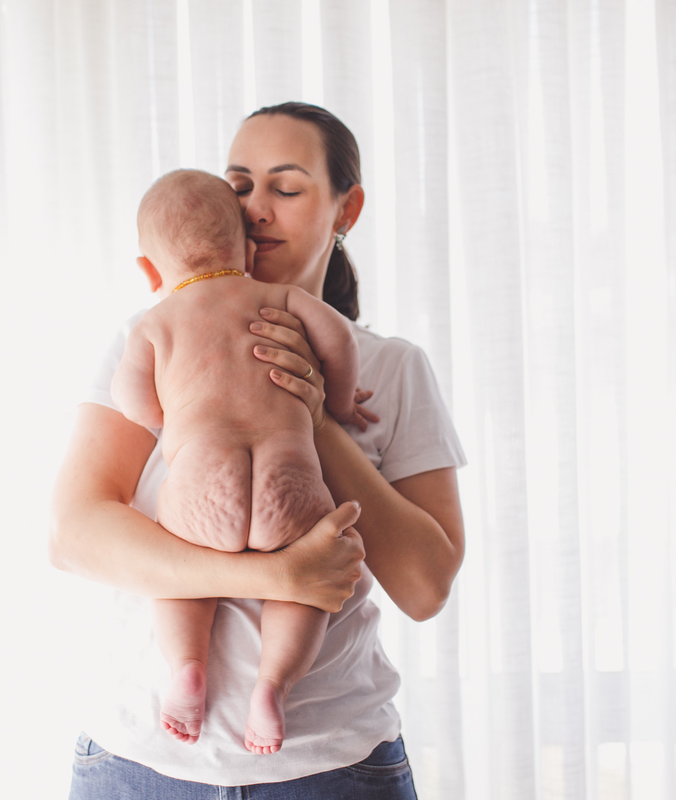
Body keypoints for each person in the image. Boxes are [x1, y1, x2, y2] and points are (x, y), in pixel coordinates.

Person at [51, 101, 468, 797]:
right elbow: (74, 536)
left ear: (346, 209)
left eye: (286, 186)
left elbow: (426, 588)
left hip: (329, 766)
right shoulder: (153, 336)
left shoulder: (387, 369)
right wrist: (277, 579)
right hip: (139, 760)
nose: (255, 209)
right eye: (239, 184)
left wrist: (318, 419)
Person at [113, 168, 370, 755]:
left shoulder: (153, 324)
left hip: (202, 488)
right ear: (248, 250)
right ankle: (272, 689)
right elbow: (341, 342)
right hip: (292, 482)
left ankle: (187, 669)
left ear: (150, 272)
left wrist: (173, 415)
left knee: (179, 575)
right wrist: (343, 403)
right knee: (304, 584)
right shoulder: (281, 298)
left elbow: (135, 403)